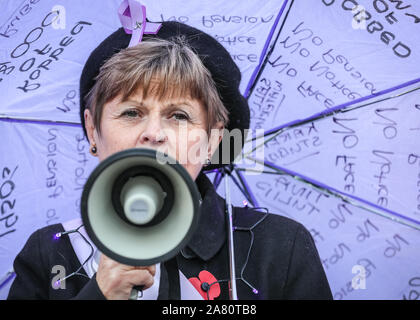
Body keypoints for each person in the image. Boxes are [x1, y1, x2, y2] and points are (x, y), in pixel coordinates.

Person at [7, 17, 333, 300]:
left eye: (178, 116)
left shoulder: (278, 249)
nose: (154, 133)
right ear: (93, 130)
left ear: (213, 139)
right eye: (132, 112)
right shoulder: (51, 254)